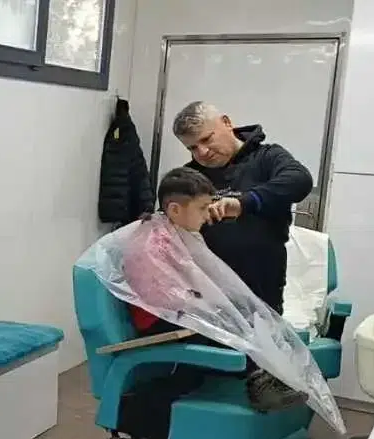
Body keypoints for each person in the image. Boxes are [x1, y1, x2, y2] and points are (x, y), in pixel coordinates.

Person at [124, 168, 306, 412]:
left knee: (247, 320)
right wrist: (211, 307)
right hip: (161, 321)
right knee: (236, 328)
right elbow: (163, 298)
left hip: (178, 313)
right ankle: (262, 388)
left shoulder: (175, 233)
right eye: (202, 208)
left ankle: (271, 378)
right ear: (175, 210)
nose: (207, 215)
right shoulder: (153, 244)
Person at [172, 101, 314, 312]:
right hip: (206, 296)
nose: (202, 152)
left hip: (261, 293)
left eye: (206, 139)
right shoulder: (190, 176)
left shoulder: (267, 157)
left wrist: (244, 203)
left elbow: (300, 180)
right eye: (192, 148)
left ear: (227, 123)